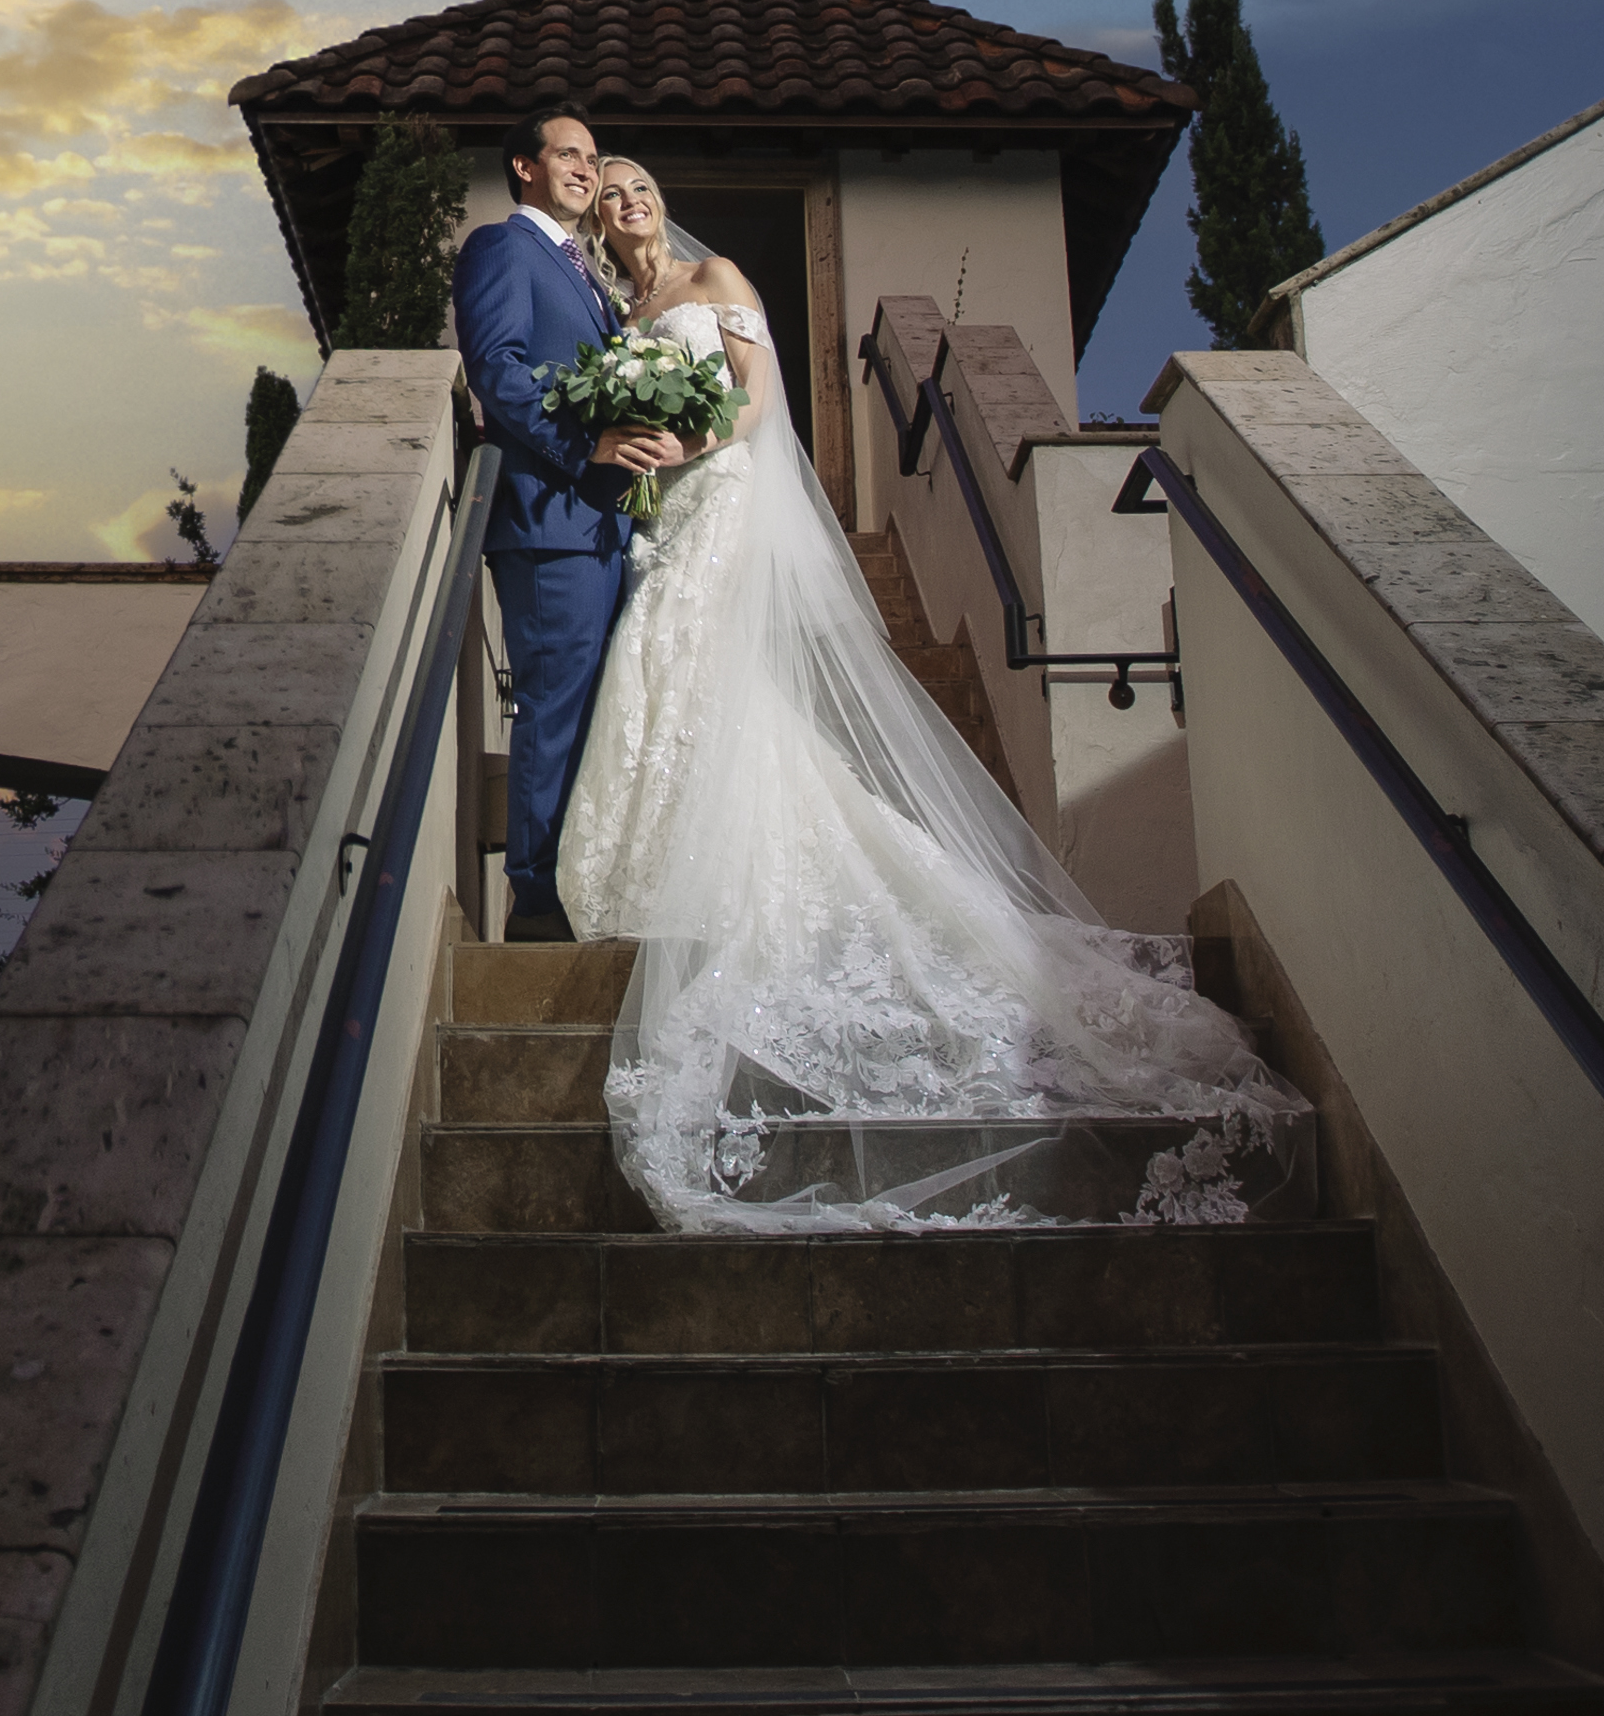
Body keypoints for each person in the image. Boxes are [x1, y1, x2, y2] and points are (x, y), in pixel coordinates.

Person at [557, 158, 1312, 1230]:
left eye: (639, 183)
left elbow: (756, 403)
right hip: (660, 506)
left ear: (661, 202)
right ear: (593, 216)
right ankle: (653, 859)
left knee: (690, 654)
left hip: (716, 492)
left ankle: (717, 866)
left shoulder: (715, 273)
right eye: (609, 190)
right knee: (664, 668)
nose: (626, 198)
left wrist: (687, 440)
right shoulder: (622, 307)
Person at [447, 108, 687, 944]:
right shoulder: (502, 248)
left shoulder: (581, 268)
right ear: (524, 166)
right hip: (549, 523)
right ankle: (537, 902)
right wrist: (588, 447)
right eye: (568, 155)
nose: (585, 169)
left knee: (601, 710)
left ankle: (587, 881)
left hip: (601, 526)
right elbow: (499, 373)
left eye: (592, 157)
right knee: (554, 708)